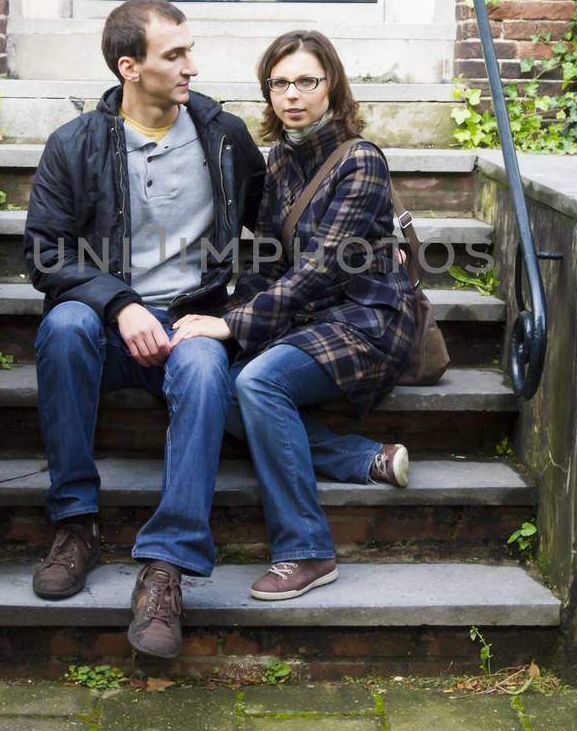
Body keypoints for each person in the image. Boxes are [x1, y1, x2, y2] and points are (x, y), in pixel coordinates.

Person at [22, 0, 264, 658]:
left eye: (190, 49)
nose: (192, 65)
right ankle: (75, 523)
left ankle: (166, 568)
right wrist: (119, 302)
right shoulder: (75, 144)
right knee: (64, 327)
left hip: (190, 317)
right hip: (106, 322)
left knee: (207, 365)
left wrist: (233, 316)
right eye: (174, 54)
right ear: (130, 67)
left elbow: (269, 229)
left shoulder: (224, 136)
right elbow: (45, 251)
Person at [171, 30, 417, 602]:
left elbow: (322, 268)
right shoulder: (279, 161)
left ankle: (305, 549)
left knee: (258, 381)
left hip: (367, 318)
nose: (292, 94)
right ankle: (361, 457)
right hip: (308, 318)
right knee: (217, 383)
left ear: (332, 85)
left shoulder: (361, 161)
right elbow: (265, 263)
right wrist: (221, 316)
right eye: (279, 83)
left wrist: (235, 325)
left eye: (307, 80)